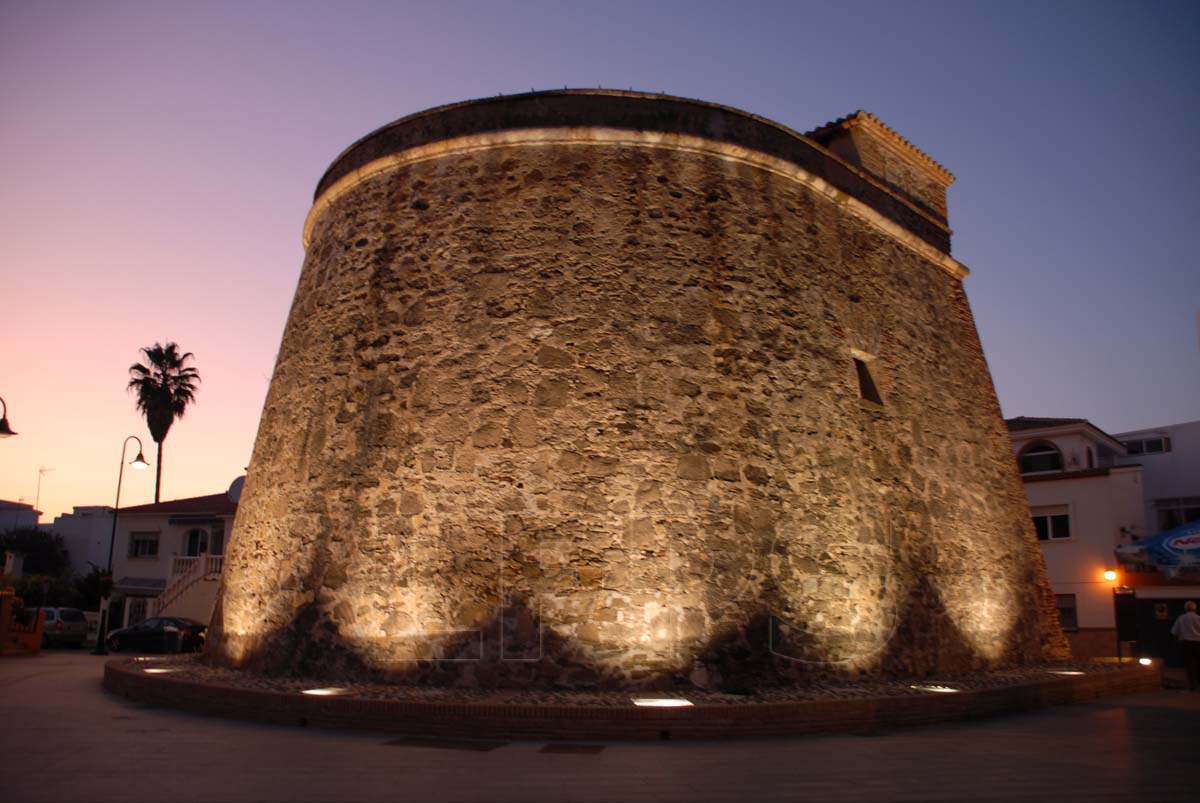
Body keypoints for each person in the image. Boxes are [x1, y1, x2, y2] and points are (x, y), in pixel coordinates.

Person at [1171, 600, 1200, 691]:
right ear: (1195, 608)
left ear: (1185, 608)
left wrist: (1178, 640)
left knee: (1189, 665)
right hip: (1198, 643)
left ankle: (1193, 685)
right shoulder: (1198, 618)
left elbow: (1174, 632)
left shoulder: (1181, 618)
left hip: (1186, 643)